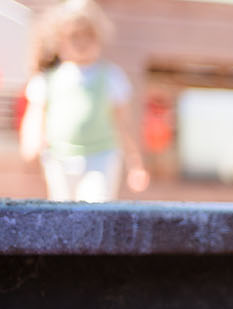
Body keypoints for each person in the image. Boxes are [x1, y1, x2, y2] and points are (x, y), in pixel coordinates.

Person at [19, 0, 146, 202]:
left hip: (100, 155)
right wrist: (31, 142)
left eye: (89, 35)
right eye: (74, 36)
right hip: (59, 156)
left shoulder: (111, 77)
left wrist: (135, 164)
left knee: (96, 203)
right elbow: (35, 114)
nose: (82, 42)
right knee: (63, 207)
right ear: (60, 40)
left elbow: (124, 123)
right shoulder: (47, 79)